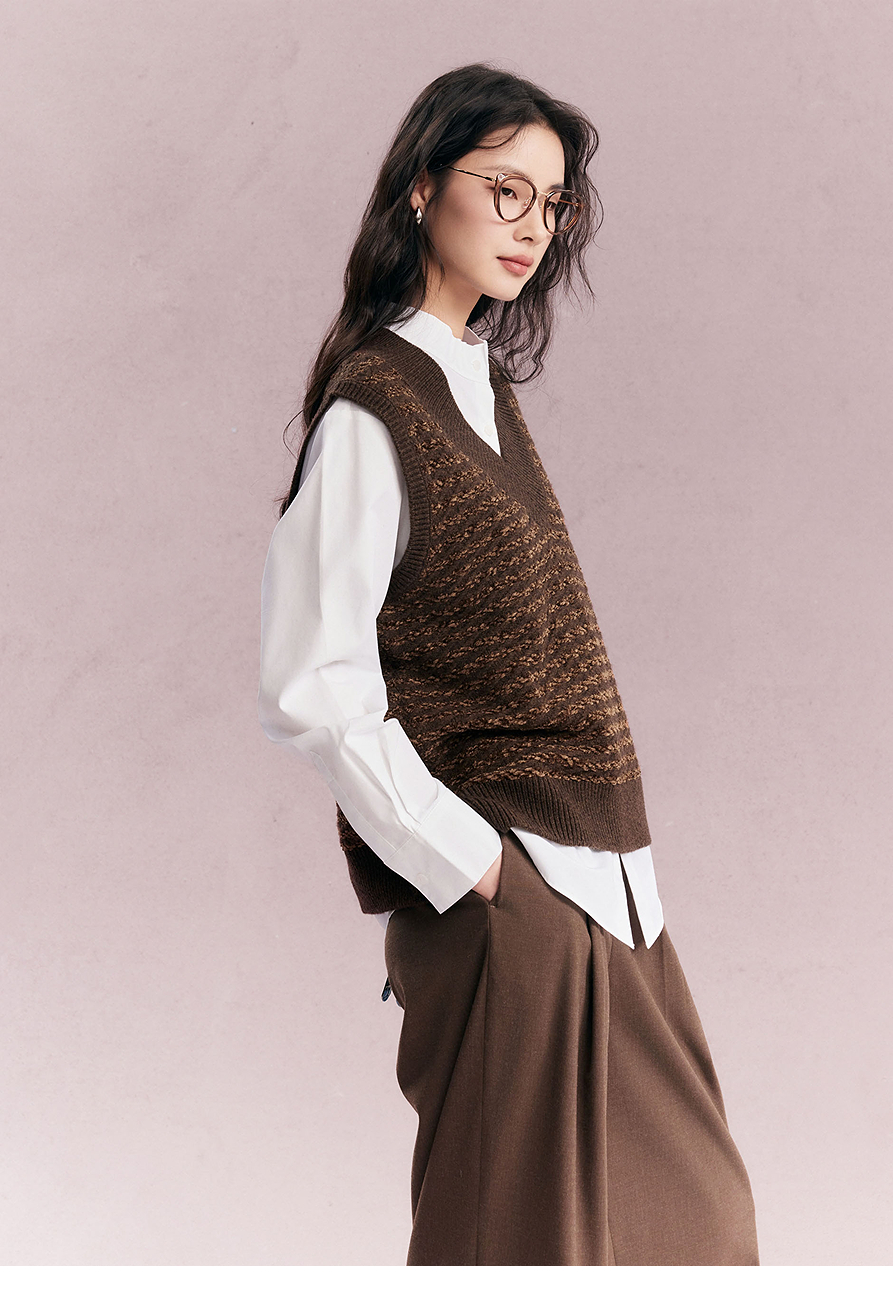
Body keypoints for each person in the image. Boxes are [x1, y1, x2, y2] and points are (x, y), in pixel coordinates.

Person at [258, 62, 759, 1266]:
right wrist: (475, 867)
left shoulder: (475, 384)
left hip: (609, 887)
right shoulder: (375, 406)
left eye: (551, 202)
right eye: (503, 189)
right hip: (514, 893)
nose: (530, 224)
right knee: (511, 1249)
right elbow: (311, 681)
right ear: (421, 187)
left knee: (696, 1232)